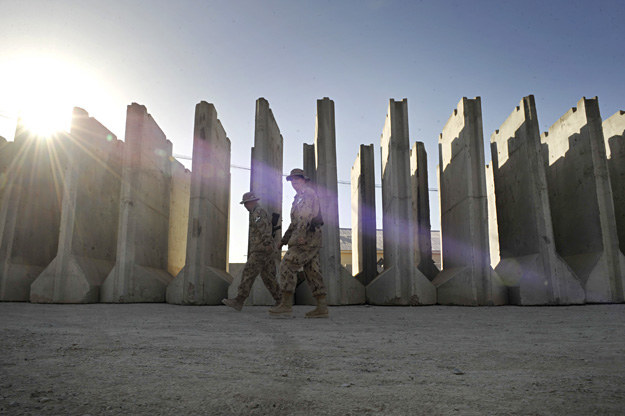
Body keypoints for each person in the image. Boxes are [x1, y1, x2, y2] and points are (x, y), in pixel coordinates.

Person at [269, 168, 328, 318]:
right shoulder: (298, 198)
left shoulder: (307, 193)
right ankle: (322, 307)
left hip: (306, 239)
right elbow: (294, 223)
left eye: (297, 179)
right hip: (309, 239)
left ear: (304, 180)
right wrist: (283, 241)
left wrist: (301, 236)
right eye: (292, 180)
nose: (294, 182)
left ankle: (286, 305)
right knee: (312, 271)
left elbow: (305, 216)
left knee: (287, 265)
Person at [222, 192, 281, 311]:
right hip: (265, 248)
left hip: (261, 249)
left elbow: (264, 228)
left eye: (246, 203)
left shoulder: (257, 212)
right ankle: (281, 300)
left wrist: (267, 243)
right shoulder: (256, 212)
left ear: (251, 202)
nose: (245, 206)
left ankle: (239, 300)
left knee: (248, 272)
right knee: (268, 277)